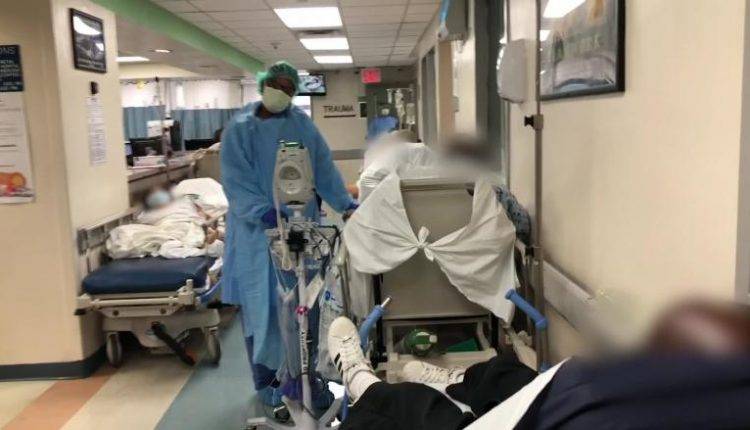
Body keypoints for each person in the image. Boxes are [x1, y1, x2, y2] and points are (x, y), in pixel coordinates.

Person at [326, 301, 750, 430]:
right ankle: (457, 382)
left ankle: (362, 382)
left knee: (408, 406)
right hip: (574, 394)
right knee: (505, 373)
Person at [220, 62, 358, 411]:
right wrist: (263, 211)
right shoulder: (241, 129)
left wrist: (345, 204)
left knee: (304, 305)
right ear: (264, 85)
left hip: (299, 229)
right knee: (263, 309)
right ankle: (268, 383)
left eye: (289, 88)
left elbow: (323, 168)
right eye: (278, 85)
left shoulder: (302, 125)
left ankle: (304, 378)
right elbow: (235, 180)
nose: (282, 92)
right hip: (255, 234)